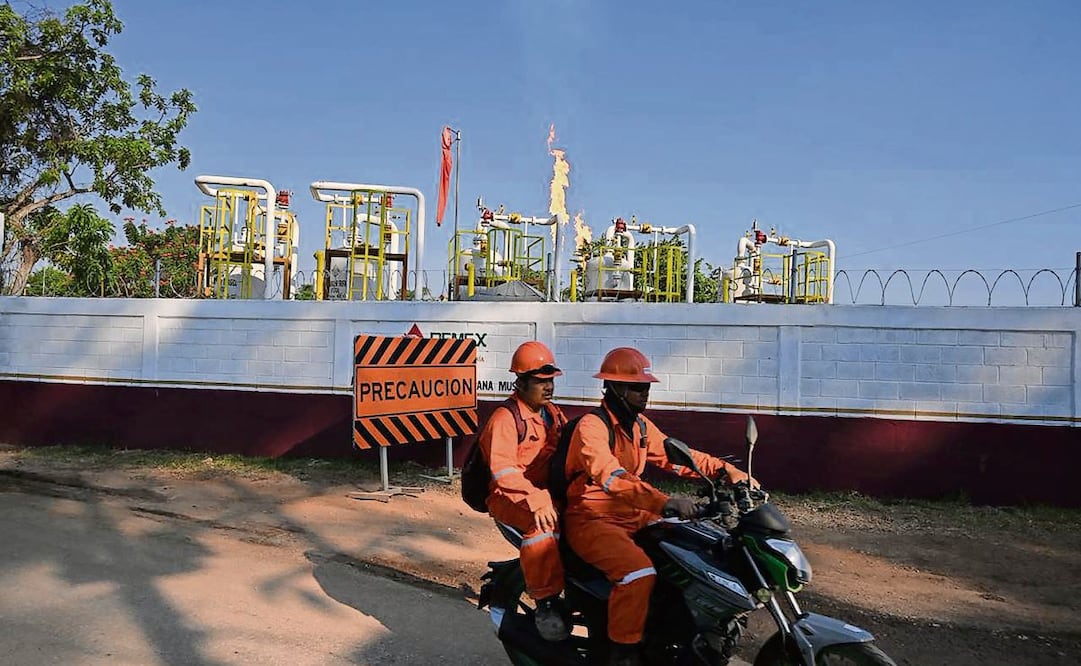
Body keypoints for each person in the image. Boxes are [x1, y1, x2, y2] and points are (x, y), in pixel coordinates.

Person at [562, 347, 754, 666]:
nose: (645, 393)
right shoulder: (591, 427)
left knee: (694, 548)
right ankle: (623, 653)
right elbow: (611, 477)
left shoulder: (639, 426)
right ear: (615, 387)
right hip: (593, 518)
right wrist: (665, 502)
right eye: (638, 387)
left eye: (646, 386)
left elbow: (676, 457)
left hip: (633, 513)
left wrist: (726, 471)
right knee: (638, 573)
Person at [478, 340, 569, 641]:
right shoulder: (505, 419)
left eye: (550, 380)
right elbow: (504, 473)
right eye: (541, 381)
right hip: (508, 498)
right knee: (543, 527)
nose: (548, 387)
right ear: (521, 382)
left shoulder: (552, 414)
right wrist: (537, 499)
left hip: (544, 494)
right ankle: (545, 602)